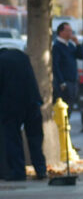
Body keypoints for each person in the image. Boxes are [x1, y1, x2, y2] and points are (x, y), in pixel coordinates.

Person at [0, 48, 47, 180]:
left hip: (11, 105)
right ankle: (41, 169)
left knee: (13, 138)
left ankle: (18, 172)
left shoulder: (2, 61)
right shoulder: (22, 57)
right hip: (32, 101)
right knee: (35, 137)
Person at [51, 22, 83, 115]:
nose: (71, 33)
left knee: (70, 106)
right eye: (68, 31)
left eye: (71, 31)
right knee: (63, 107)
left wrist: (77, 43)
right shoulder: (57, 46)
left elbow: (81, 55)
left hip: (73, 81)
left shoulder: (70, 45)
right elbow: (55, 66)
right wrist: (61, 82)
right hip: (64, 82)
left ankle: (66, 126)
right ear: (61, 32)